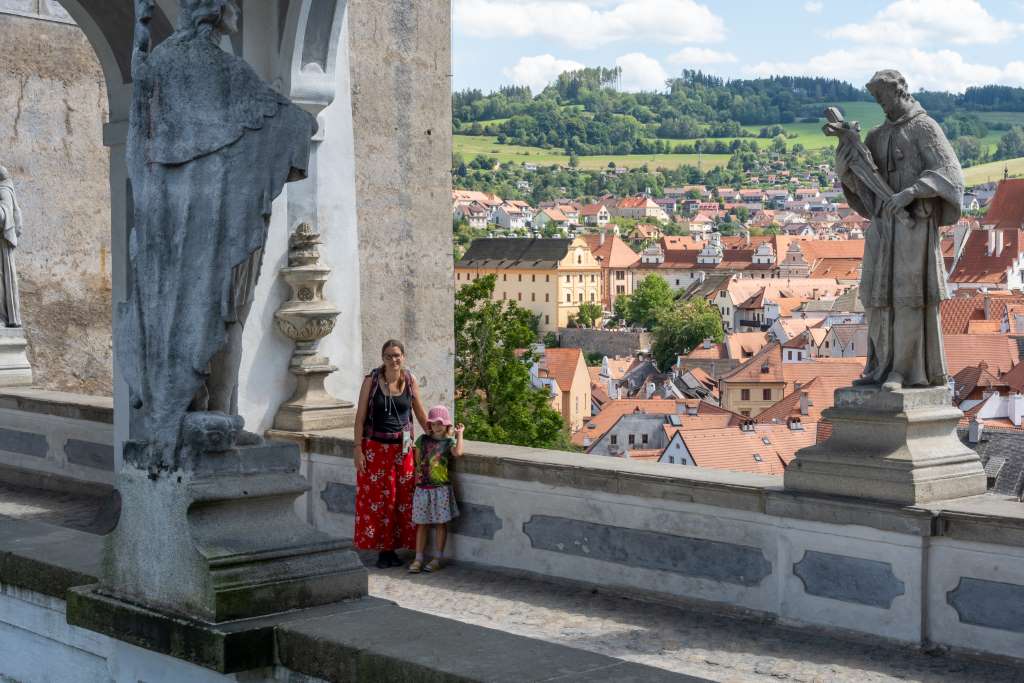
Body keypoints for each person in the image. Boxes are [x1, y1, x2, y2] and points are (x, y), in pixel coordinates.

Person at [834, 70, 962, 390]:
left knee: (908, 298)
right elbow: (865, 185)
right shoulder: (876, 136)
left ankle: (904, 371)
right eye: (876, 99)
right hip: (882, 226)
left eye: (883, 97)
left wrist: (913, 190)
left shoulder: (924, 127)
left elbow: (951, 174)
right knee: (875, 298)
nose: (880, 105)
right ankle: (879, 366)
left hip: (913, 225)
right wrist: (846, 162)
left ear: (900, 90)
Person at [352, 340, 428, 568]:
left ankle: (396, 548)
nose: (393, 360)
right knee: (379, 500)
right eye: (388, 356)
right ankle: (383, 551)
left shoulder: (410, 380)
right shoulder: (371, 381)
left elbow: (420, 413)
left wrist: (440, 437)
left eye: (397, 355)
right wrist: (357, 449)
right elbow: (360, 418)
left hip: (402, 450)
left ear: (403, 356)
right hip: (375, 449)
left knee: (402, 499)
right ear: (382, 358)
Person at [408, 407, 464, 574]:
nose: (437, 426)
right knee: (421, 524)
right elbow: (417, 462)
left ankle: (437, 558)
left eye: (441, 423)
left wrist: (459, 434)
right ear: (429, 425)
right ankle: (418, 558)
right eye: (434, 423)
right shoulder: (422, 440)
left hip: (441, 489)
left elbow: (458, 453)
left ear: (446, 425)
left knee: (441, 524)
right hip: (423, 488)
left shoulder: (449, 442)